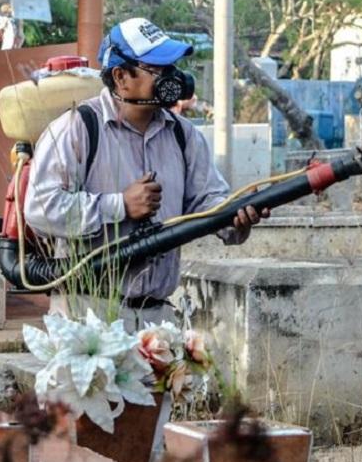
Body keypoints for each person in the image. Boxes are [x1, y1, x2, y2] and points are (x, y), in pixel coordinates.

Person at [23, 17, 269, 330]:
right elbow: (40, 210)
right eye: (158, 69)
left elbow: (208, 202)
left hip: (157, 319)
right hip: (87, 316)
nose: (172, 77)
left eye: (172, 67)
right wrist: (120, 205)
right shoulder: (76, 129)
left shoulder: (183, 135)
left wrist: (236, 215)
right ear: (121, 77)